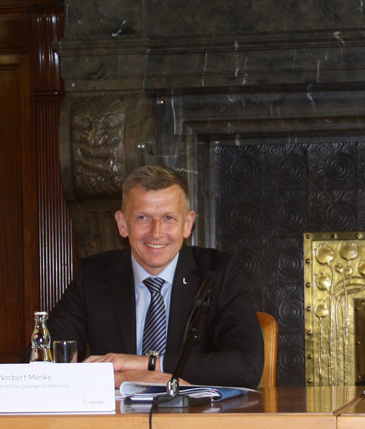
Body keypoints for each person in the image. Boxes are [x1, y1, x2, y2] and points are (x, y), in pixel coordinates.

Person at [38, 165, 264, 388]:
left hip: (196, 419)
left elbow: (246, 366)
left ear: (187, 224)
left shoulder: (218, 272)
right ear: (122, 224)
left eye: (168, 218)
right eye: (143, 217)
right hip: (116, 422)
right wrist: (117, 379)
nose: (156, 232)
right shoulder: (94, 276)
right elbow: (39, 362)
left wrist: (149, 364)